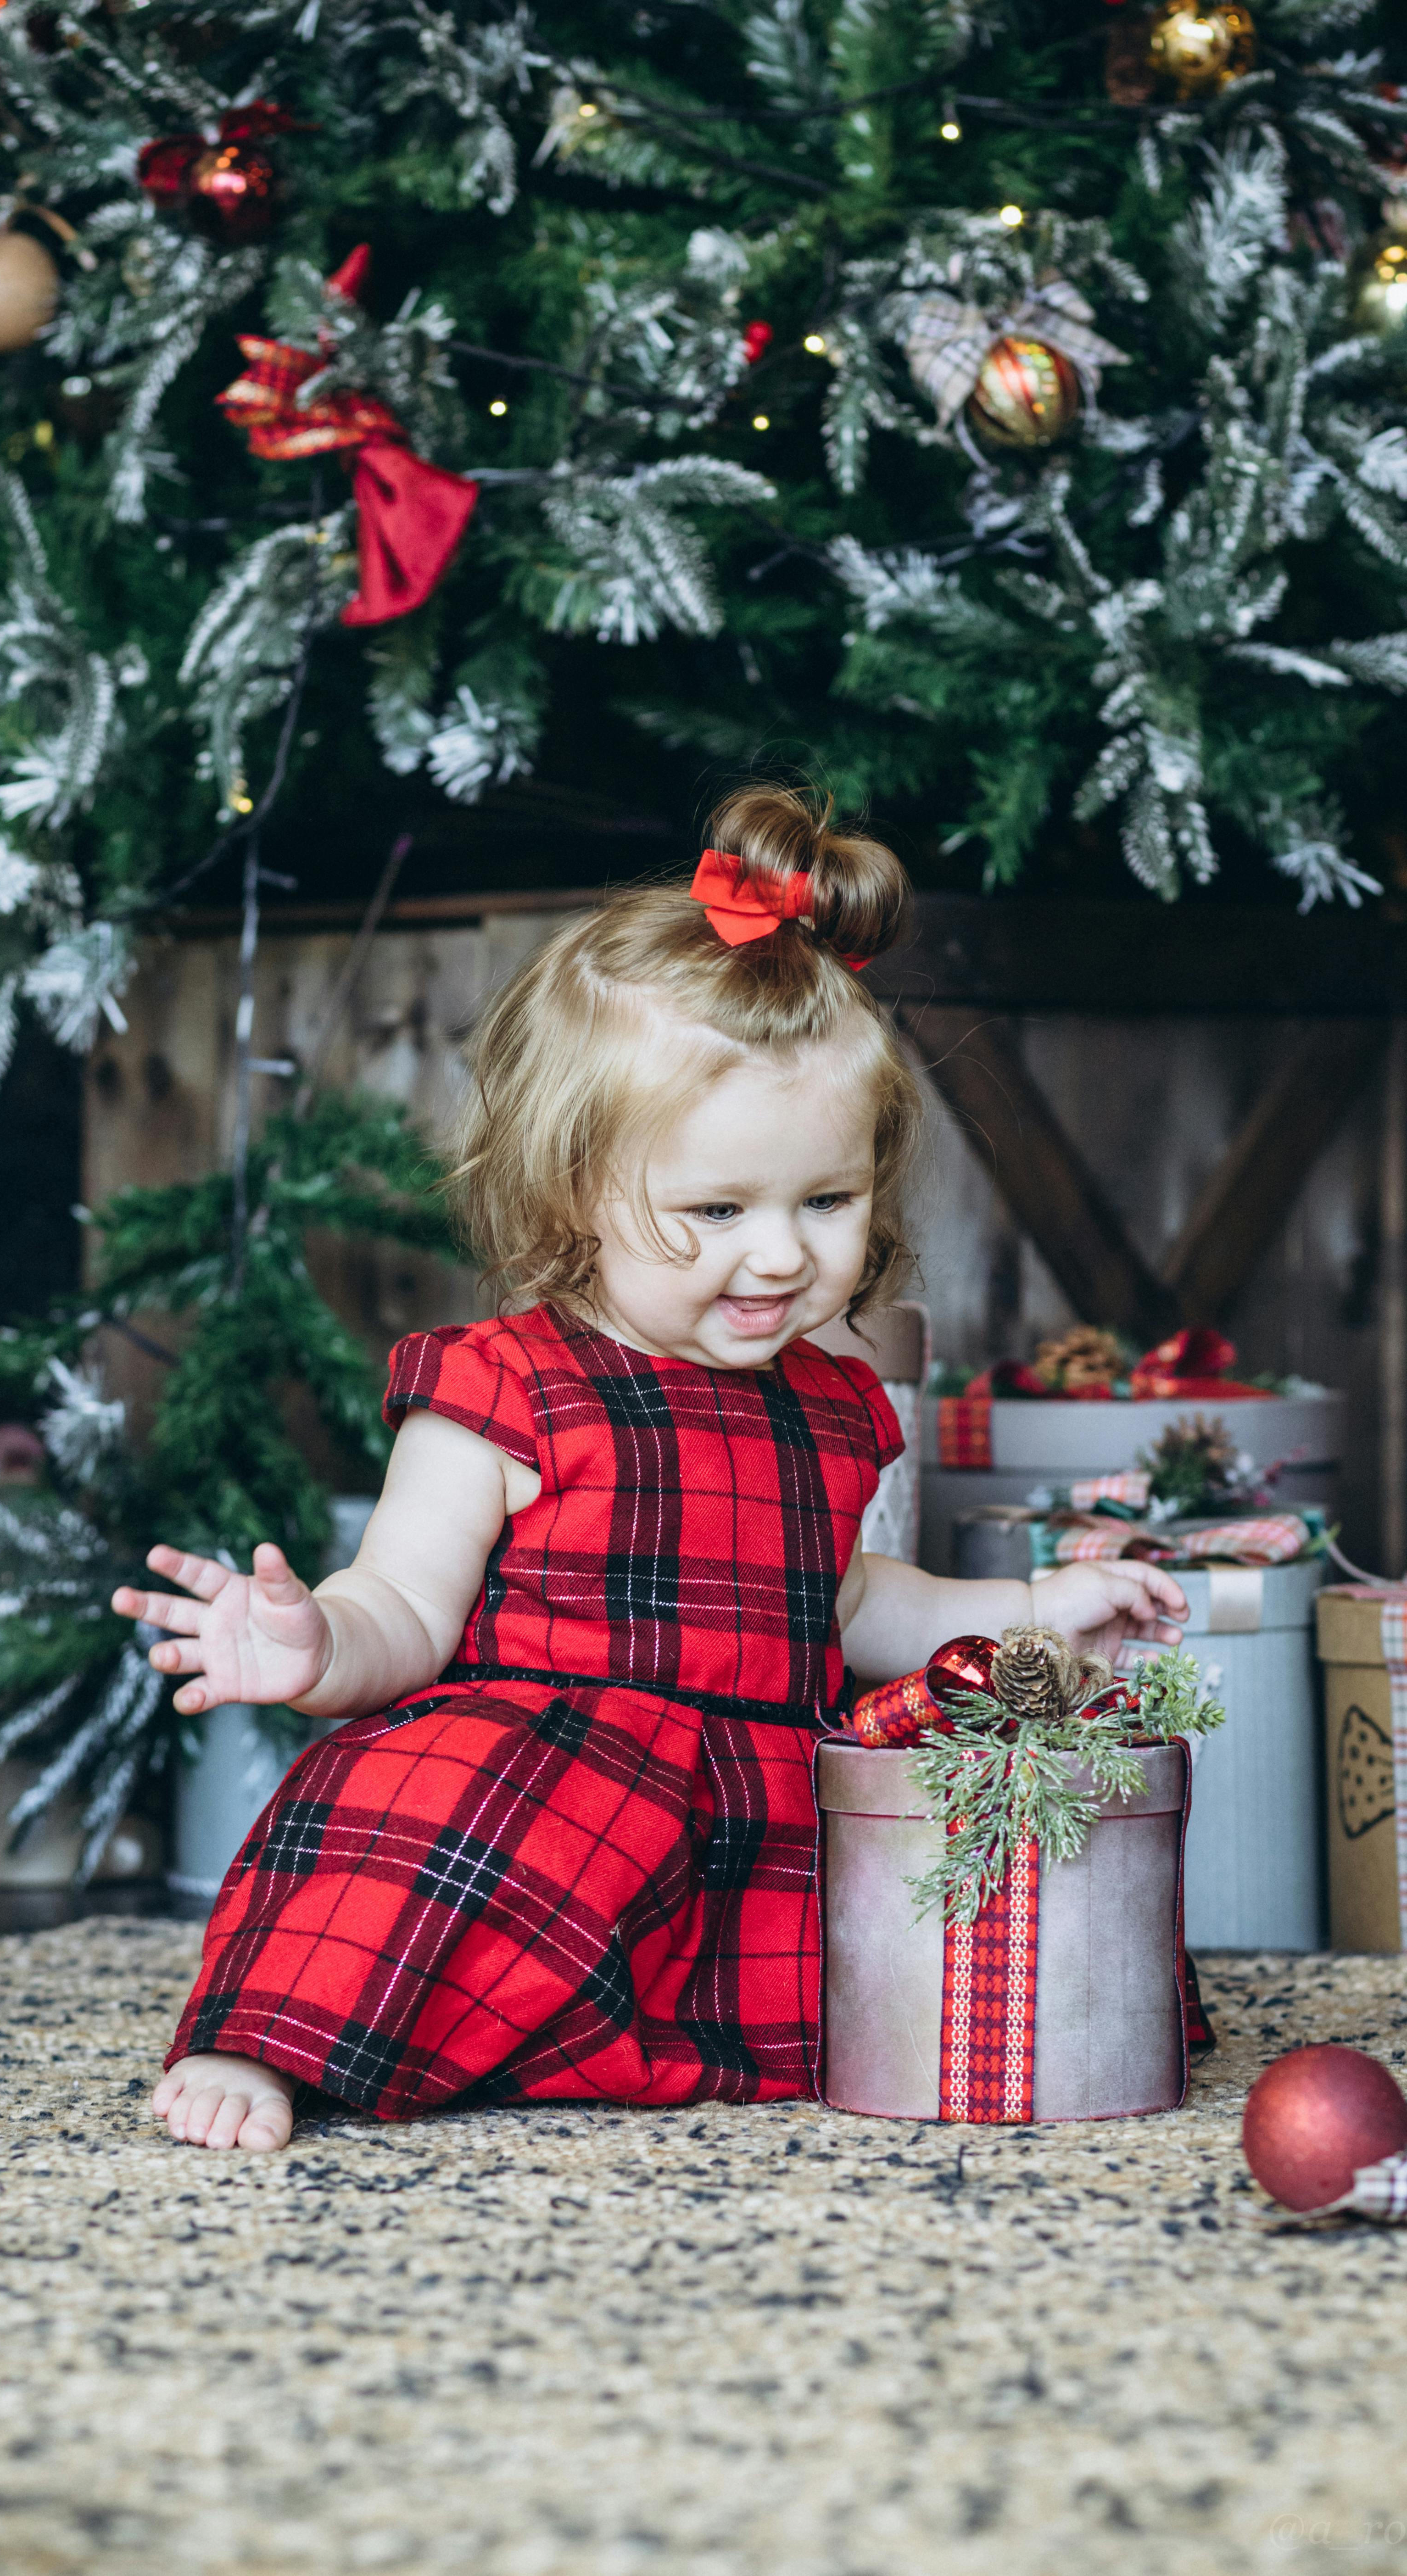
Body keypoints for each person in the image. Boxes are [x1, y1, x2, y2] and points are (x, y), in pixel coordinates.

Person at [117, 786, 1186, 2151]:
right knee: (405, 1816)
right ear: (576, 1191)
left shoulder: (829, 1404)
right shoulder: (502, 1386)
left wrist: (1035, 1616)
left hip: (755, 1807)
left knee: (949, 1834)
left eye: (829, 1201)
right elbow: (404, 1611)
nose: (784, 1256)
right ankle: (270, 2048)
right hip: (547, 1780)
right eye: (719, 1210)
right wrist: (314, 1642)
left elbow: (849, 1610)